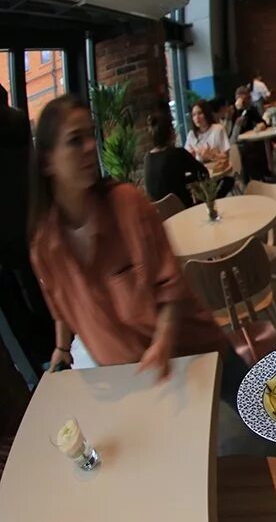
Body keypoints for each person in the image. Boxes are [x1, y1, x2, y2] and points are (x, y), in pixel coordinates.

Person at [27, 96, 245, 402]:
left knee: (257, 407)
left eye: (91, 135)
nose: (90, 146)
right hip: (127, 379)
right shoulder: (45, 247)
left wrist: (163, 341)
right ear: (48, 160)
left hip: (192, 348)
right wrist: (62, 349)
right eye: (75, 141)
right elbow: (63, 306)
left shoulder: (126, 205)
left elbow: (172, 288)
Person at [0, 84, 53, 379]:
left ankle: (41, 357)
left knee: (17, 301)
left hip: (4, 231)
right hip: (27, 216)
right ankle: (57, 341)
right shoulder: (18, 121)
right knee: (37, 284)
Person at [144, 110, 210, 208]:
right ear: (171, 132)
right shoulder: (177, 153)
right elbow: (203, 173)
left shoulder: (147, 158)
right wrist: (185, 180)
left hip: (161, 217)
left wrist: (180, 179)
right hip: (182, 211)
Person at [231, 85, 273, 182]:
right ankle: (256, 178)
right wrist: (238, 109)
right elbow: (232, 134)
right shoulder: (233, 112)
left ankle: (265, 174)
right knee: (250, 152)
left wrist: (262, 124)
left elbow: (261, 121)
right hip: (238, 143)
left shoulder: (250, 109)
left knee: (263, 145)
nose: (248, 101)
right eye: (245, 99)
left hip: (250, 139)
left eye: (249, 98)